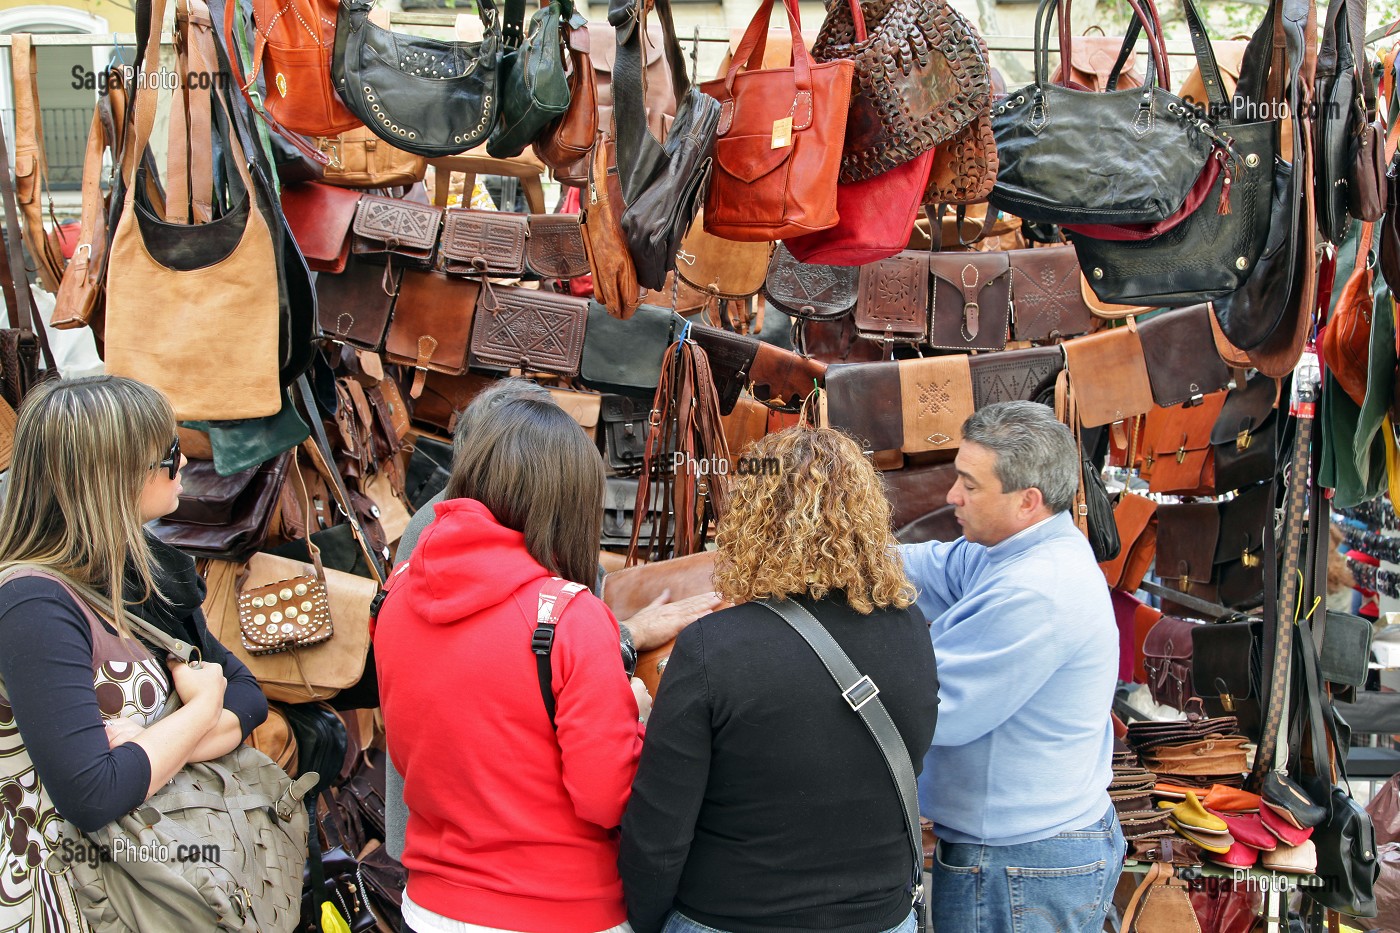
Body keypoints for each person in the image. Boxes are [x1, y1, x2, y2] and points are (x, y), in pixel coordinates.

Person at [383, 377, 721, 861]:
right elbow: (481, 665)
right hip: (484, 827)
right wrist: (618, 646)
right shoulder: (437, 527)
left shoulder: (516, 526)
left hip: (466, 835)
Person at [619, 427, 939, 933]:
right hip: (880, 917)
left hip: (731, 915)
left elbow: (659, 831)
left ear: (752, 518)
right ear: (868, 513)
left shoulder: (712, 647)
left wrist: (648, 921)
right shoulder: (911, 630)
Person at [0, 376, 268, 928]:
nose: (184, 465)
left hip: (149, 877)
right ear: (114, 473)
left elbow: (248, 694)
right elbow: (94, 793)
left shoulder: (141, 569)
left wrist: (160, 749)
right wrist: (198, 710)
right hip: (68, 897)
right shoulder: (32, 606)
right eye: (170, 453)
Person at [376, 396, 646, 933]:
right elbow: (606, 798)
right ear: (568, 501)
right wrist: (636, 719)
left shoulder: (395, 596)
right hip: (559, 909)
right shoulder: (571, 616)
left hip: (431, 907)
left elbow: (419, 746)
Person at [900, 401, 1124, 933]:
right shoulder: (1005, 550)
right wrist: (831, 556)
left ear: (1028, 501)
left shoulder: (1037, 590)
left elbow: (933, 706)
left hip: (1021, 866)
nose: (952, 496)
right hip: (1020, 856)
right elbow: (927, 569)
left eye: (970, 485)